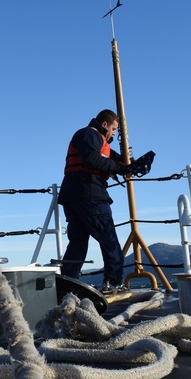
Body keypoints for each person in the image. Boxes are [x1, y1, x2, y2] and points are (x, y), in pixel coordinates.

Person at [57, 110, 152, 294]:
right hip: (90, 195)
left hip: (73, 194)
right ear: (105, 125)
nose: (115, 133)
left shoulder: (95, 139)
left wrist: (129, 162)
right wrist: (120, 168)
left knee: (78, 242)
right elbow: (92, 159)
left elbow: (116, 160)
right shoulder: (90, 134)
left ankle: (67, 286)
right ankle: (113, 283)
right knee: (109, 240)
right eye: (114, 129)